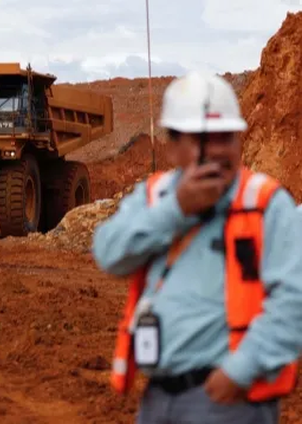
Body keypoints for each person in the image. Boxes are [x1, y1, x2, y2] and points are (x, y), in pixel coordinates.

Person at [92, 71, 302, 424]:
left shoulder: (265, 203)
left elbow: (294, 300)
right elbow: (109, 254)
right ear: (173, 146)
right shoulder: (155, 197)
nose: (217, 150)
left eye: (226, 138)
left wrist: (239, 372)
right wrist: (176, 209)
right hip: (158, 397)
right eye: (204, 139)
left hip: (227, 400)